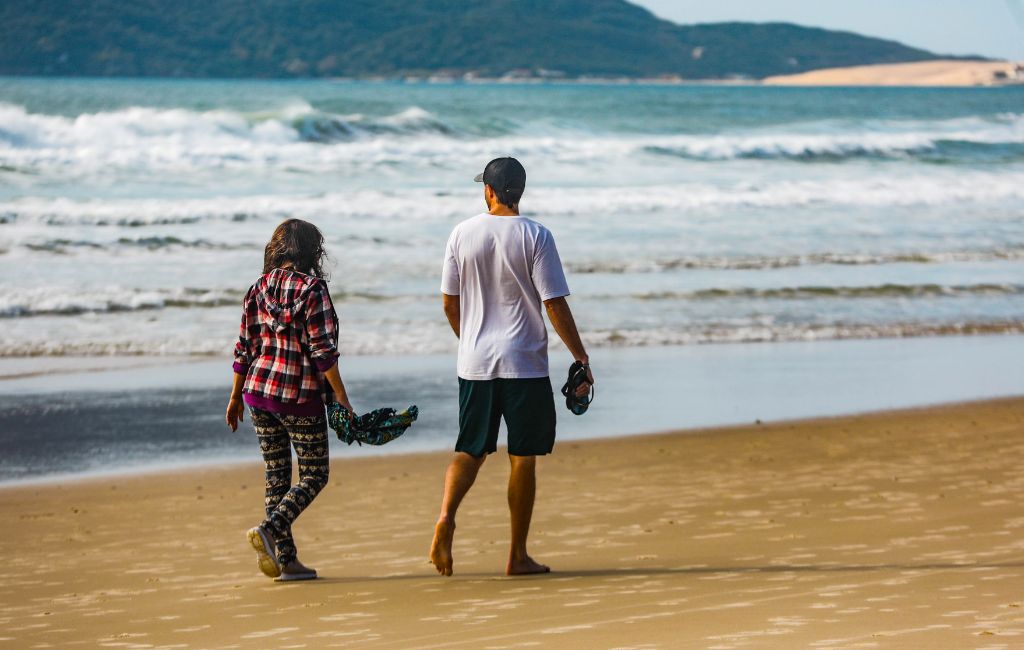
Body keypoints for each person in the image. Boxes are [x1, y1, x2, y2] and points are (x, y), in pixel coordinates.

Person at [430, 157, 594, 577]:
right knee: (523, 457)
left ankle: (446, 517)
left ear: (489, 190)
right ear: (518, 191)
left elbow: (450, 301)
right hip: (525, 363)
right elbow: (553, 302)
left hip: (476, 362)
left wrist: (468, 339)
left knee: (470, 449)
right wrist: (581, 356)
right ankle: (517, 555)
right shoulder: (536, 235)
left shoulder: (462, 233)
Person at [225, 218, 356, 582]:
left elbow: (244, 348)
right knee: (315, 474)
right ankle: (270, 529)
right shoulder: (313, 290)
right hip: (298, 396)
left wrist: (235, 396)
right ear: (312, 250)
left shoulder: (258, 288)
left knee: (276, 478)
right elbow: (323, 352)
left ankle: (286, 561)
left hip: (258, 394)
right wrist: (343, 399)